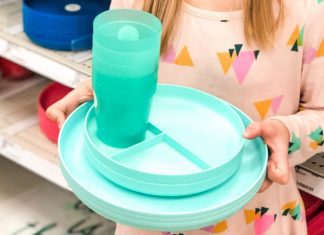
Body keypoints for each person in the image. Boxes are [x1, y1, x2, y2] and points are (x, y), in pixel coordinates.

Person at [47, 0, 324, 234]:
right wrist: (102, 92)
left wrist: (287, 134)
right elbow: (128, 77)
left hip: (255, 220)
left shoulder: (307, 9)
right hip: (147, 215)